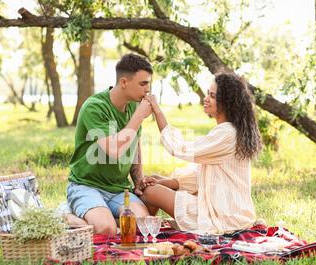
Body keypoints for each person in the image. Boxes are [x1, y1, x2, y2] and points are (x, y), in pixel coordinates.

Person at [139, 72, 263, 235]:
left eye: (212, 96)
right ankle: (143, 229)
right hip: (227, 211)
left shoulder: (227, 133)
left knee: (150, 191)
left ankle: (142, 232)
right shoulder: (230, 131)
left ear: (227, 103)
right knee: (154, 182)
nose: (206, 98)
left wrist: (156, 110)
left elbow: (180, 148)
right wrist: (163, 181)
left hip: (222, 217)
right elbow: (200, 174)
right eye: (207, 93)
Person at [66, 54, 153, 235]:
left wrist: (138, 181)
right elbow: (114, 150)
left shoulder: (133, 107)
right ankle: (65, 216)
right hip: (86, 185)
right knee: (106, 229)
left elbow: (134, 146)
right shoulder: (95, 107)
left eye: (148, 83)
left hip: (118, 189)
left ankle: (105, 217)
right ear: (123, 82)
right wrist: (139, 116)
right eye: (143, 84)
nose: (148, 89)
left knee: (142, 226)